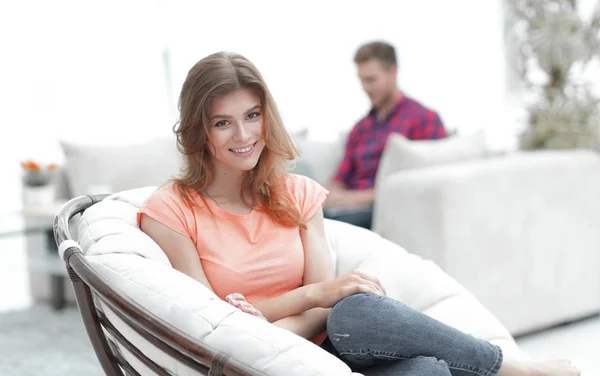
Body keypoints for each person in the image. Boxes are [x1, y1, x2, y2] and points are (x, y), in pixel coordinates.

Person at [137, 51, 579, 376]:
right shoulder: (172, 210)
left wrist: (301, 309)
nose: (243, 134)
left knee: (362, 317)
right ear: (199, 130)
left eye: (252, 115)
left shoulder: (298, 194)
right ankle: (511, 371)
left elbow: (326, 312)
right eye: (222, 122)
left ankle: (503, 367)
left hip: (332, 346)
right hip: (252, 360)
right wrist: (310, 300)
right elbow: (209, 321)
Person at [325, 41, 448, 229]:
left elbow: (429, 185)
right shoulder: (360, 129)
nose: (365, 87)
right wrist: (334, 196)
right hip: (347, 210)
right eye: (362, 80)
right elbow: (338, 180)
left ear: (393, 72)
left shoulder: (424, 119)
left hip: (383, 210)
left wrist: (357, 198)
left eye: (372, 79)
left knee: (327, 229)